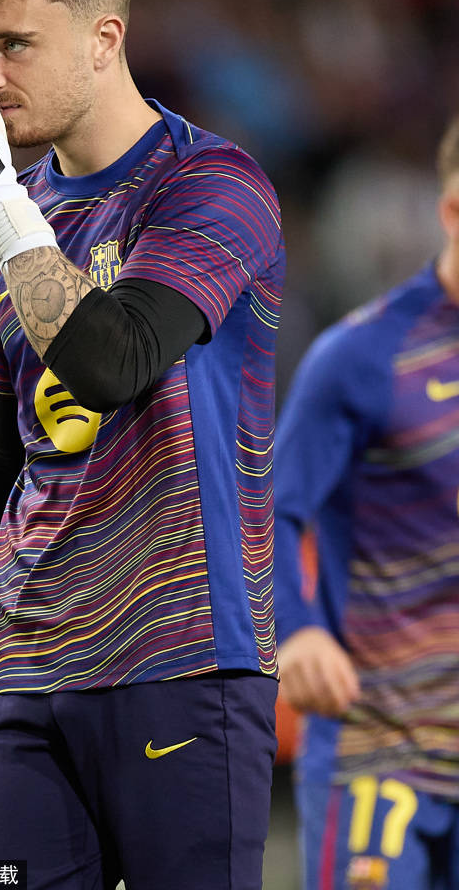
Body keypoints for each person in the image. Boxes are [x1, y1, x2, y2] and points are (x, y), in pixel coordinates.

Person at [0, 0, 284, 890]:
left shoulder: (212, 184)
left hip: (179, 657)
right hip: (22, 670)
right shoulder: (13, 215)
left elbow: (117, 360)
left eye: (16, 44)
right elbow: (5, 447)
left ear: (105, 39)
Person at [273, 115, 459, 890]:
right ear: (452, 210)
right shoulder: (362, 357)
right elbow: (267, 512)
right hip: (377, 746)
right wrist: (298, 632)